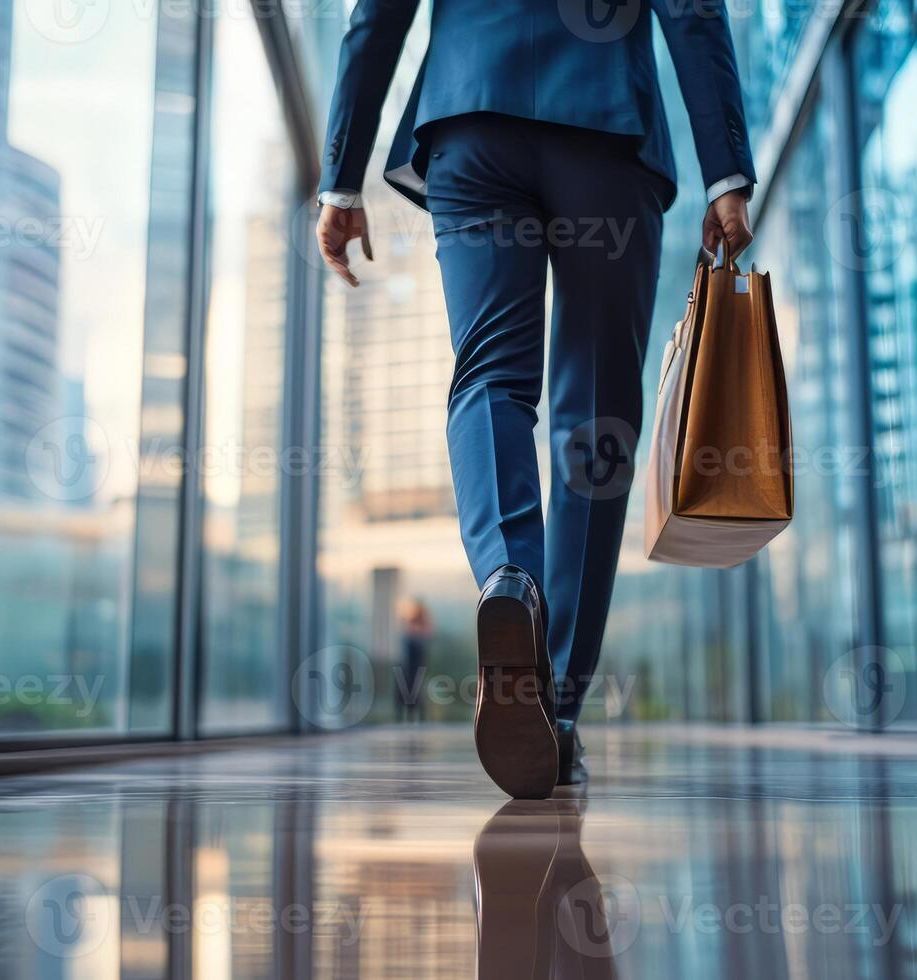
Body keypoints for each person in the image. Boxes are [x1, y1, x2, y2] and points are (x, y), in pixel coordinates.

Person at [316, 0, 754, 798]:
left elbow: (374, 15)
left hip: (471, 116)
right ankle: (555, 707)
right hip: (606, 132)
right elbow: (691, 9)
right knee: (596, 416)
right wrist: (726, 170)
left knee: (488, 376)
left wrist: (340, 179)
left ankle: (508, 579)